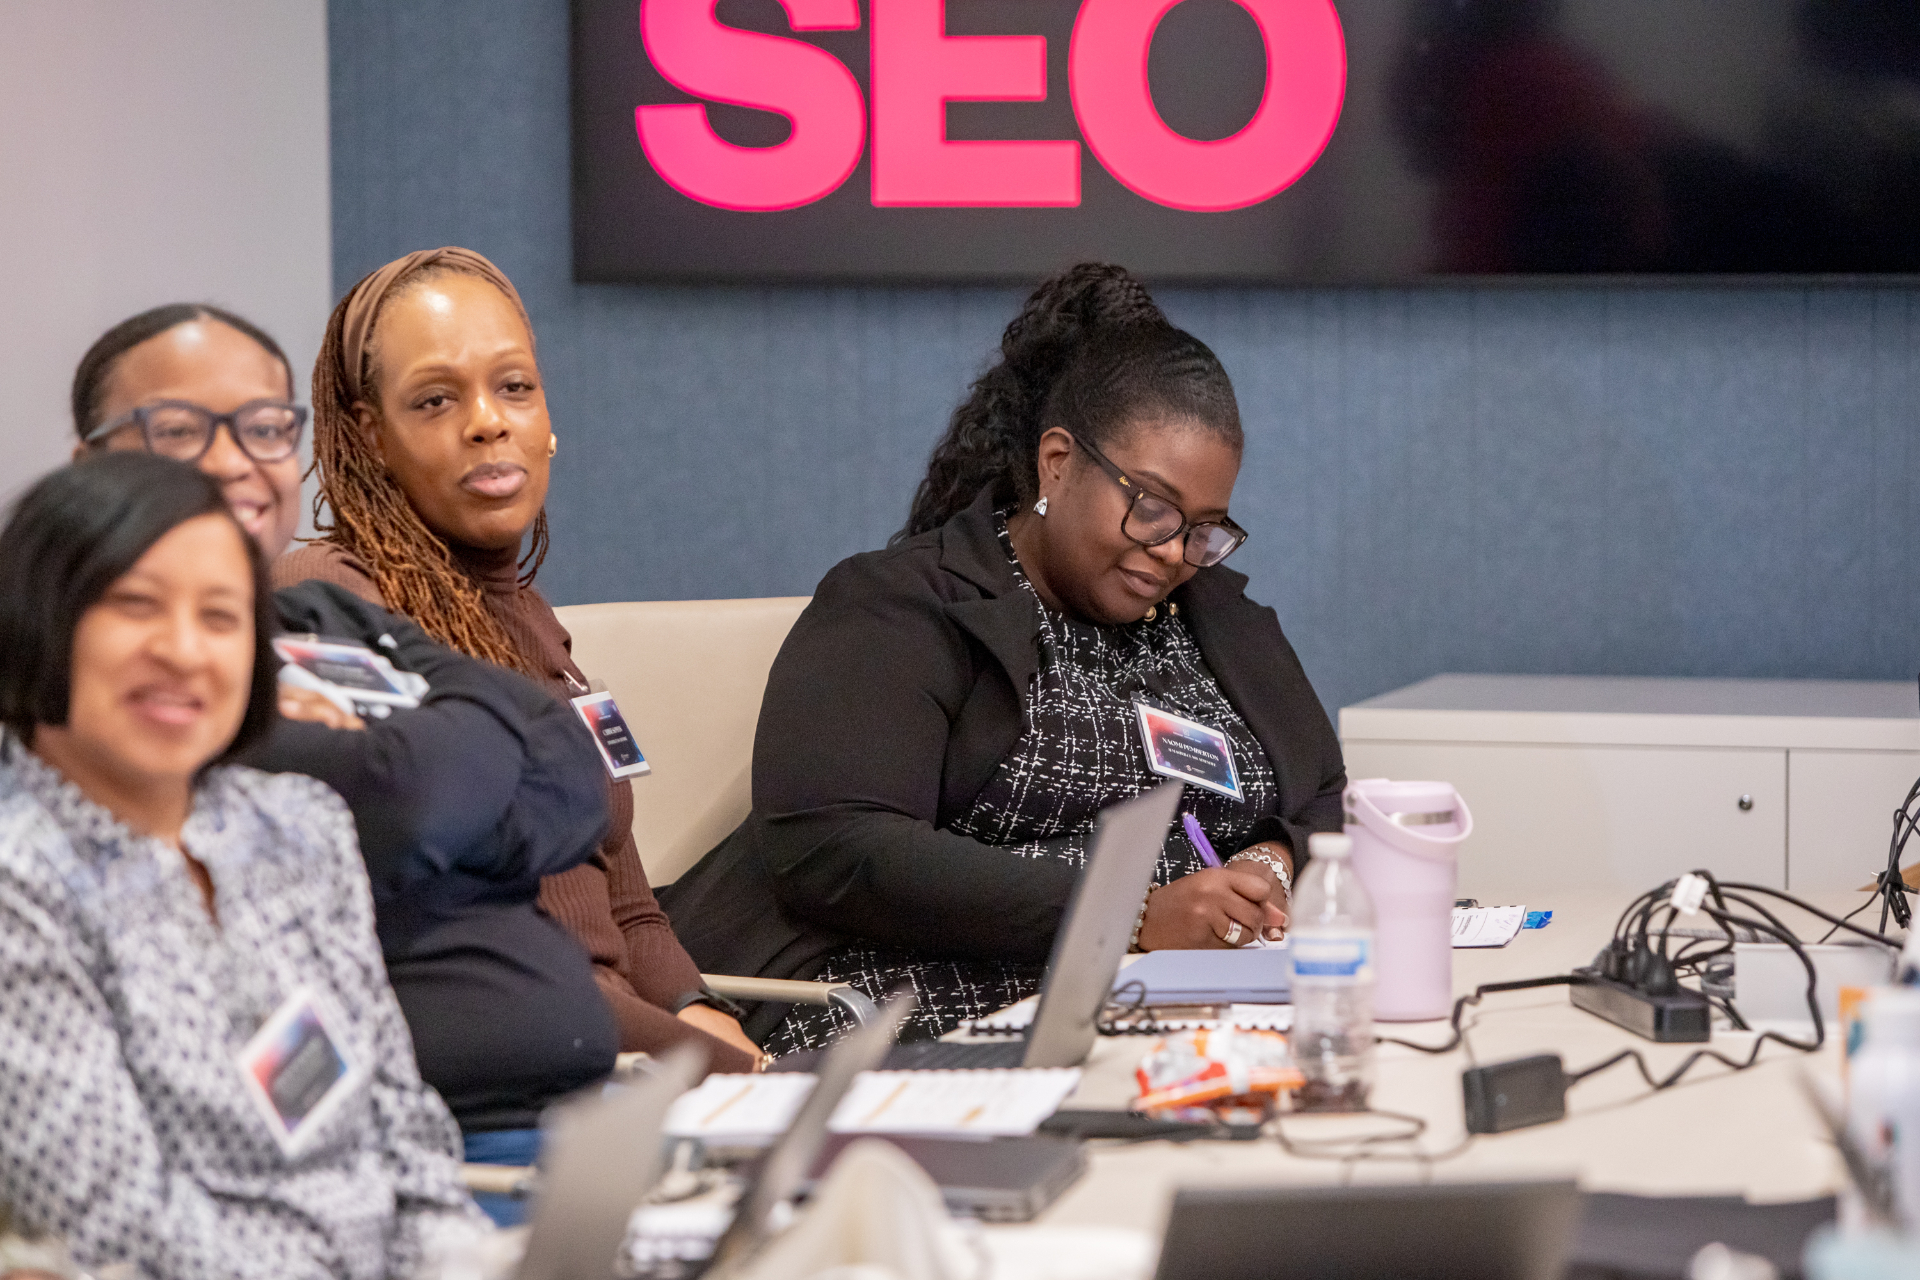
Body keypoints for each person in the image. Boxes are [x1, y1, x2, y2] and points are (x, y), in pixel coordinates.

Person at [664, 264, 1348, 1052]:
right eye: (1151, 508)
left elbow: (1323, 788)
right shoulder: (902, 605)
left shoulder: (1213, 616)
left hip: (1165, 1009)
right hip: (911, 1007)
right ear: (1057, 464)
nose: (1173, 553)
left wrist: (1271, 859)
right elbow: (836, 847)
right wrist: (1128, 916)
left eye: (1204, 527)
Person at [70, 302, 629, 1221]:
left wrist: (420, 774)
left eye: (260, 427)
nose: (228, 460)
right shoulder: (124, 685)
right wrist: (450, 772)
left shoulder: (321, 623)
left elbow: (571, 775)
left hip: (541, 1135)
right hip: (400, 1170)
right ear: (94, 463)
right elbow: (400, 802)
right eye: (179, 428)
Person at [0, 453, 485, 1278]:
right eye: (136, 606)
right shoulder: (23, 888)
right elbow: (119, 1228)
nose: (186, 652)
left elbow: (407, 1133)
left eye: (221, 616)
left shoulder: (300, 828)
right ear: (39, 616)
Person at [281, 247, 760, 1073]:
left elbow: (629, 908)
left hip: (629, 1064)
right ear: (370, 436)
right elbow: (473, 939)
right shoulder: (330, 599)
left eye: (514, 387)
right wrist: (724, 1071)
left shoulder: (538, 628)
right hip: (515, 1070)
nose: (487, 421)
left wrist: (702, 1010)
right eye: (435, 399)